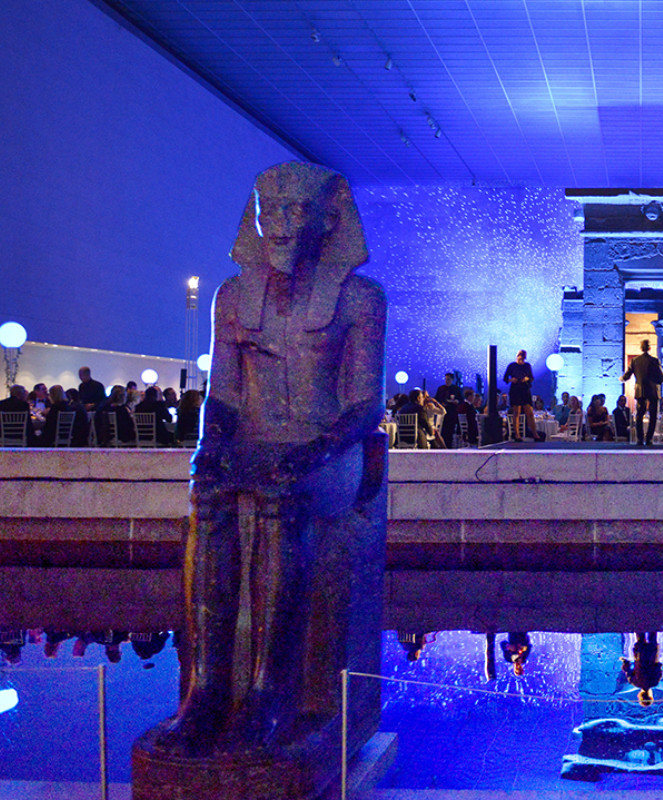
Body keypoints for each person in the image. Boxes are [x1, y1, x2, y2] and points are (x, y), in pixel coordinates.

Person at [153, 162, 386, 756]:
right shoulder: (233, 298)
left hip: (332, 451)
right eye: (269, 211)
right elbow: (225, 396)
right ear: (254, 219)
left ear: (326, 220)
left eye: (295, 211)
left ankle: (268, 692)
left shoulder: (359, 300)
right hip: (255, 444)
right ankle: (207, 689)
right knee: (208, 500)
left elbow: (362, 407)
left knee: (281, 501)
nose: (280, 225)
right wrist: (211, 449)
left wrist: (314, 451)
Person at [621, 339, 663, 446]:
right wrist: (654, 381)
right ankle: (649, 438)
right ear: (649, 348)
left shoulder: (635, 361)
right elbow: (661, 378)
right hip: (653, 390)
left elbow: (628, 375)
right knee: (653, 415)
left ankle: (640, 439)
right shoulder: (654, 361)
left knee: (639, 415)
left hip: (640, 390)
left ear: (641, 348)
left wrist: (622, 378)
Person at [620, 632, 662, 707]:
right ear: (640, 696)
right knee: (640, 637)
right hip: (640, 656)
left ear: (650, 696)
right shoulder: (635, 682)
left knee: (652, 636)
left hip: (652, 657)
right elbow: (627, 669)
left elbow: (658, 669)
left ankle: (653, 622)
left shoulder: (654, 682)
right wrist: (624, 661)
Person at [503, 350, 536, 442]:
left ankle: (535, 434)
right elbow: (505, 378)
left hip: (525, 389)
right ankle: (517, 434)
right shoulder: (512, 366)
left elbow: (531, 377)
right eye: (520, 356)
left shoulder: (527, 366)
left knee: (529, 412)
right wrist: (511, 380)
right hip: (515, 389)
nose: (521, 358)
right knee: (516, 412)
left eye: (523, 356)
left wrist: (527, 378)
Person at [434, 373, 464, 448]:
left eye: (448, 379)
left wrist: (456, 401)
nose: (447, 381)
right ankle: (443, 446)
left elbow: (461, 400)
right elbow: (437, 399)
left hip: (452, 412)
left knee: (450, 430)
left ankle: (448, 446)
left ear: (452, 380)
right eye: (446, 379)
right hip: (442, 413)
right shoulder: (441, 388)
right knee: (442, 430)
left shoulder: (456, 389)